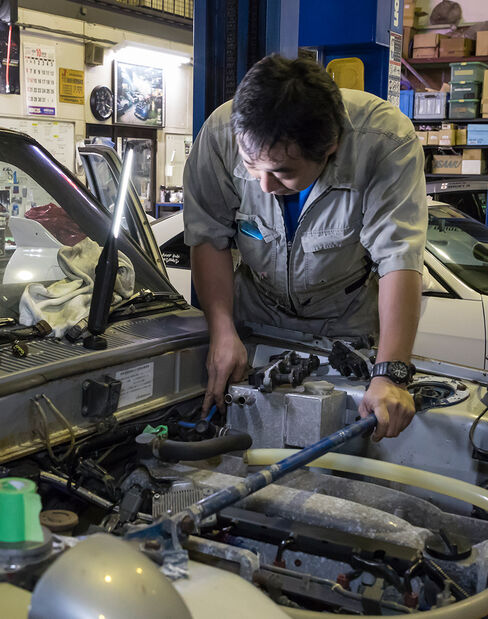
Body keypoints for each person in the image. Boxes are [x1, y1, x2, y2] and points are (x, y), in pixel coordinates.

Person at [183, 54, 427, 441]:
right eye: (251, 166)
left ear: (330, 146)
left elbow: (398, 256)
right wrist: (222, 330)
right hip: (256, 316)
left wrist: (390, 373)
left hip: (345, 323)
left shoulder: (385, 141)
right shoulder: (219, 134)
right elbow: (209, 237)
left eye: (282, 172)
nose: (263, 186)